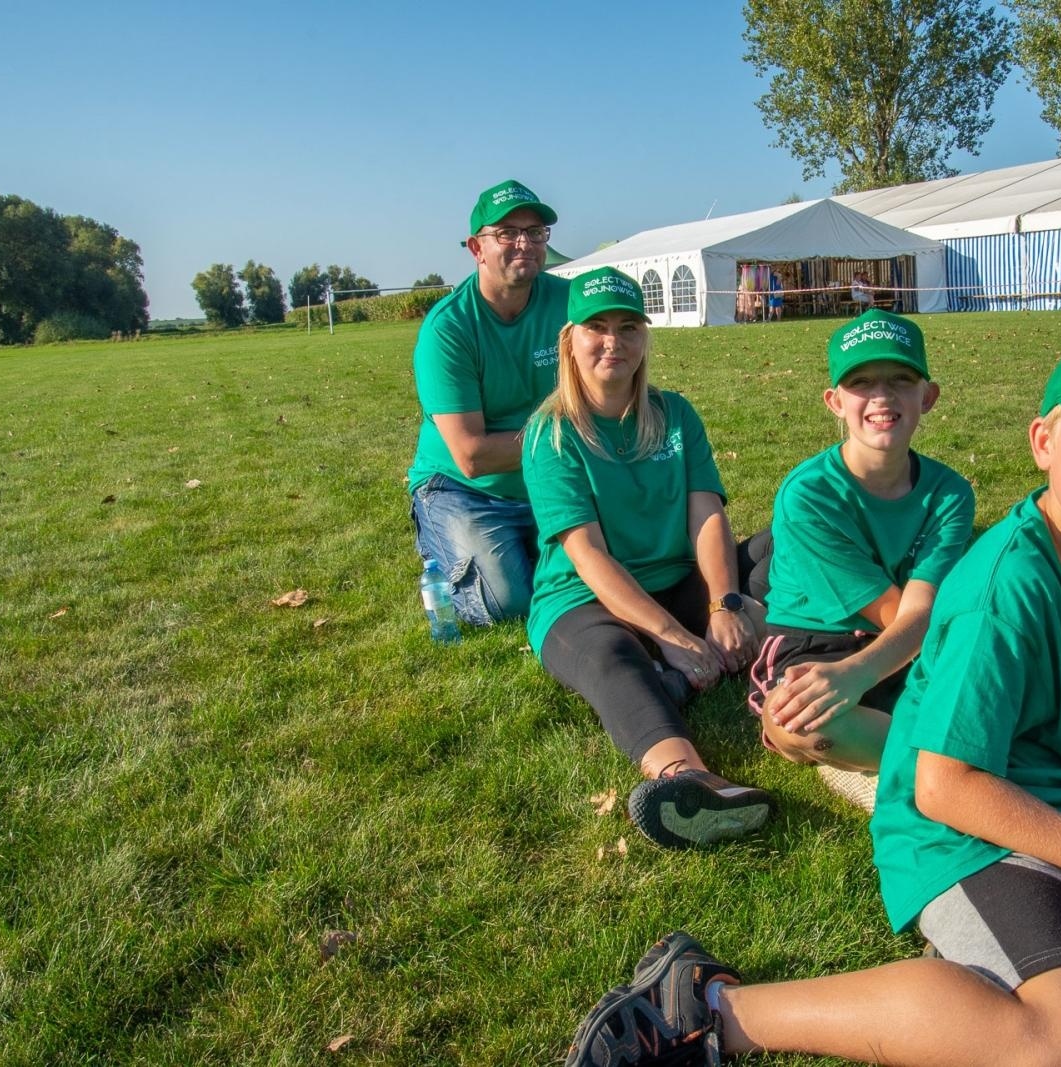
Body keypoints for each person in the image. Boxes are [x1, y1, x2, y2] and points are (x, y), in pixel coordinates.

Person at [563, 324, 1061, 1067]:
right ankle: (712, 1008)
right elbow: (942, 785)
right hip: (978, 826)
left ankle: (1041, 939)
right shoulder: (1004, 587)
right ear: (1043, 441)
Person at [523, 267, 772, 850]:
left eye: (629, 326)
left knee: (781, 545)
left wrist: (724, 603)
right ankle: (688, 785)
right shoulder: (550, 434)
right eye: (598, 327)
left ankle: (804, 651)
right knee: (613, 657)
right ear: (570, 341)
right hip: (583, 601)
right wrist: (670, 635)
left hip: (678, 581)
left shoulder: (673, 414)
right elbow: (586, 556)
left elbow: (706, 513)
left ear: (645, 336)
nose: (614, 341)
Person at [749, 309, 973, 812]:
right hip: (816, 639)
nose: (882, 397)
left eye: (901, 379)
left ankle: (903, 758)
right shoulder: (808, 494)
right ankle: (964, 772)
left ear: (928, 397)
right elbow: (895, 614)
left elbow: (915, 615)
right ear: (835, 402)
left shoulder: (949, 492)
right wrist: (847, 675)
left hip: (905, 634)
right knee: (795, 721)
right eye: (862, 382)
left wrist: (860, 676)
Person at [408, 179, 570, 626]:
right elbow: (472, 456)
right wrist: (571, 437)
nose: (525, 243)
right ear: (476, 248)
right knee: (506, 604)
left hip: (546, 478)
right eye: (507, 233)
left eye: (535, 232)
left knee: (611, 570)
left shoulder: (568, 303)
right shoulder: (449, 329)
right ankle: (438, 537)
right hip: (465, 489)